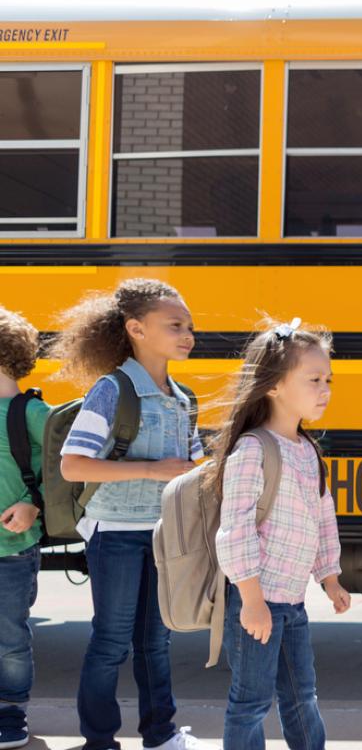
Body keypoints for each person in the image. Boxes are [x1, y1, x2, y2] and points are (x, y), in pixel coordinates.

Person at [53, 279, 213, 750]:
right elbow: (72, 463)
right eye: (175, 325)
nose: (188, 335)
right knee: (111, 642)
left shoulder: (184, 398)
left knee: (155, 643)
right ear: (136, 329)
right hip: (116, 534)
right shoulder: (112, 390)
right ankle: (99, 741)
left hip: (164, 533)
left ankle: (161, 735)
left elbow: (191, 468)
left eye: (190, 326)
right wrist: (152, 468)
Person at [212, 318, 349, 750]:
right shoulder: (253, 449)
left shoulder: (308, 449)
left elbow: (322, 517)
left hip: (292, 603)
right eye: (313, 379)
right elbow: (234, 530)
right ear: (273, 385)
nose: (325, 389)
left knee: (301, 697)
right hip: (258, 600)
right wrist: (251, 600)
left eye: (328, 379)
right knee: (251, 702)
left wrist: (330, 577)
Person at [0, 306, 49, 750]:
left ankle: (10, 713)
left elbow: (64, 470)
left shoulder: (31, 412)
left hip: (12, 548)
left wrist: (34, 505)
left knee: (10, 636)